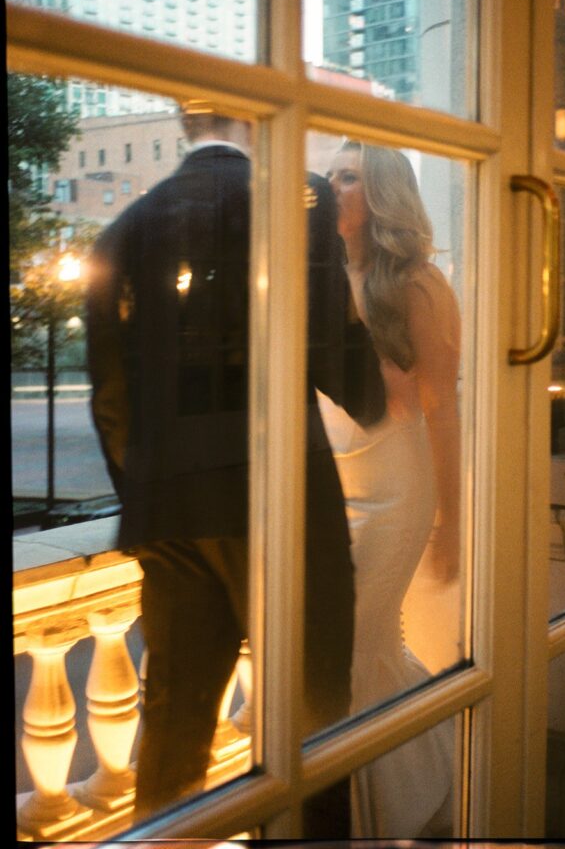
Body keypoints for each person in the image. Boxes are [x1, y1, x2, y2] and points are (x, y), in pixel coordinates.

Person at [85, 105, 385, 836]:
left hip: (169, 512)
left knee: (176, 721)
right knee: (313, 721)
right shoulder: (297, 200)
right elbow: (329, 345)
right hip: (280, 506)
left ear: (187, 131)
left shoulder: (123, 229)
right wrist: (371, 390)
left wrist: (151, 491)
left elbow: (109, 399)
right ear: (255, 121)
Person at [318, 140, 461, 838]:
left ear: (379, 195)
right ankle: (430, 777)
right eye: (330, 175)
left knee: (352, 648)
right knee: (366, 650)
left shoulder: (418, 283)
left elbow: (442, 407)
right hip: (332, 486)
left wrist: (451, 522)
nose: (330, 187)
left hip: (396, 491)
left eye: (346, 177)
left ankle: (400, 802)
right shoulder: (320, 276)